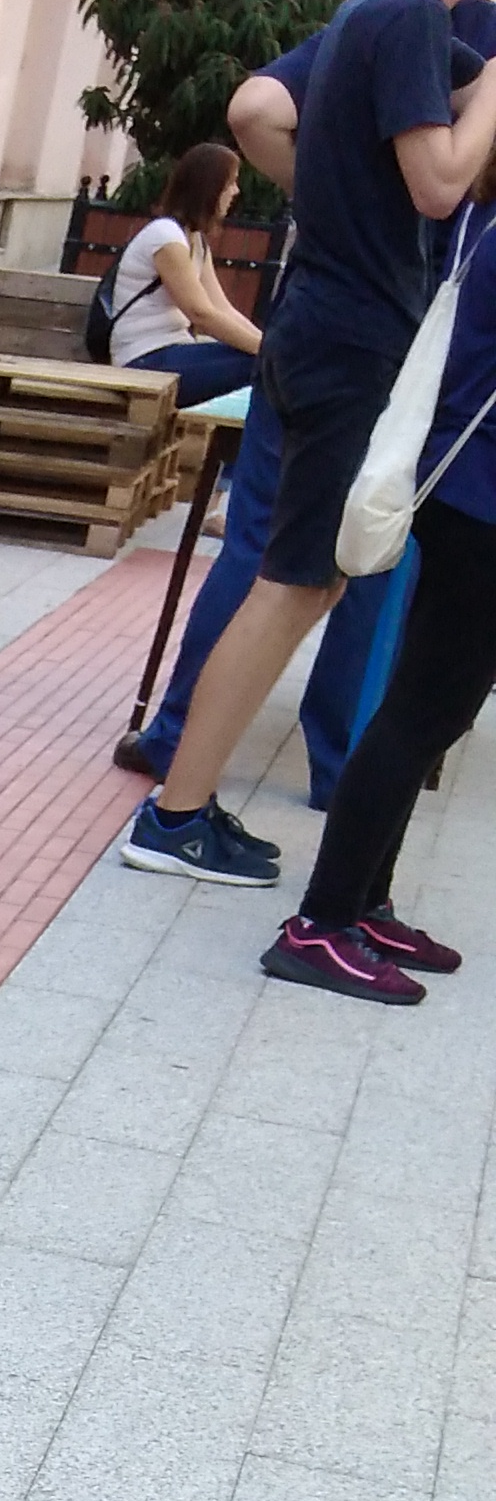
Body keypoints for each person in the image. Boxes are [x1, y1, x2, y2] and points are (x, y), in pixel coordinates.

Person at [125, 0, 496, 884]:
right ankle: (175, 815)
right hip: (350, 339)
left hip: (322, 329)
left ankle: (183, 804)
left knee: (307, 581)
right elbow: (442, 181)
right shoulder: (407, 17)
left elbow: (421, 121)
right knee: (296, 583)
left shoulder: (385, 16)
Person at [261, 178, 496, 997]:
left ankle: (364, 902)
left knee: (432, 712)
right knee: (421, 714)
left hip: (464, 488)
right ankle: (318, 926)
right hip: (481, 497)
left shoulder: (481, 213)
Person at [99, 139, 262, 404]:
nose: (236, 191)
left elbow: (222, 308)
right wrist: (271, 354)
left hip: (172, 353)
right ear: (210, 187)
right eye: (230, 182)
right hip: (144, 361)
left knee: (268, 365)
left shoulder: (195, 241)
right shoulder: (166, 237)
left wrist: (269, 346)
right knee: (264, 368)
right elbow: (201, 314)